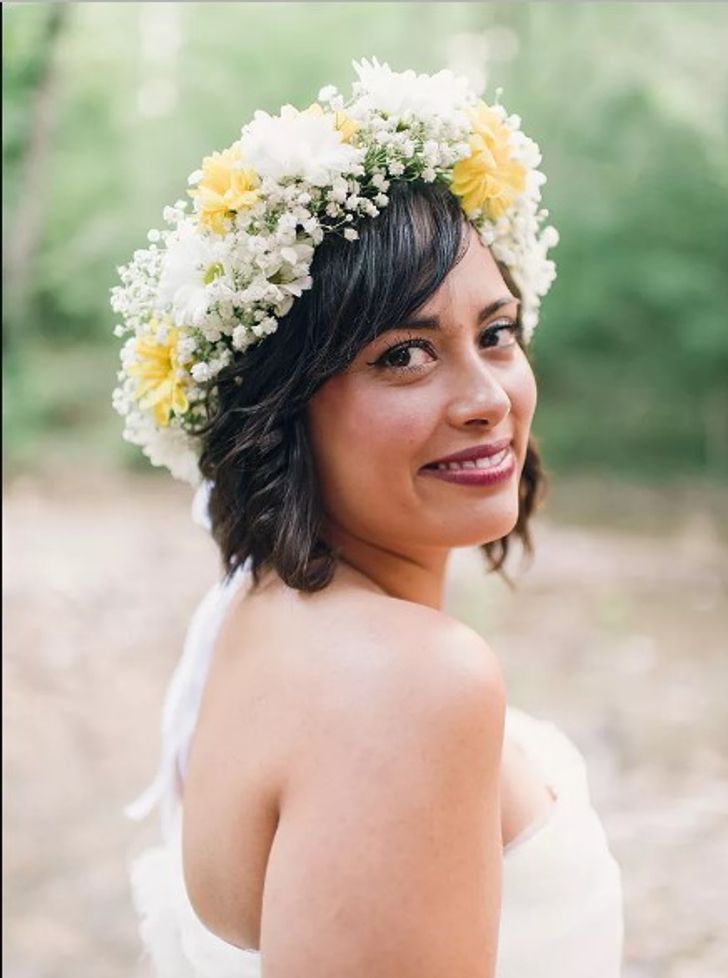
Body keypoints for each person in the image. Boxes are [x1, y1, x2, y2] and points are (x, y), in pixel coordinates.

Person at [114, 59, 624, 978]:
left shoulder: (255, 611)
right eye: (404, 355)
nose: (485, 399)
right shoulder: (411, 686)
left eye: (496, 334)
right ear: (282, 410)